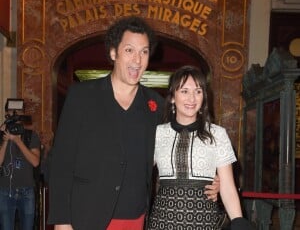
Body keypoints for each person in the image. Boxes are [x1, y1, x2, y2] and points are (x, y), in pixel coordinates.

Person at [47, 16, 220, 230]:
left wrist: (210, 177)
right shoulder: (82, 96)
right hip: (86, 215)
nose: (137, 60)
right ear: (113, 53)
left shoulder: (155, 105)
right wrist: (62, 221)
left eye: (144, 52)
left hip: (134, 217)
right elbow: (61, 162)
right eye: (129, 50)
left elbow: (177, 145)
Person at [148, 65, 253, 230]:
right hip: (161, 222)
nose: (192, 98)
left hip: (204, 222)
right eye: (184, 91)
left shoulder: (217, 134)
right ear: (173, 97)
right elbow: (139, 174)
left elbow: (227, 186)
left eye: (198, 91)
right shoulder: (157, 133)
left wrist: (238, 221)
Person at [0, 102, 41, 230]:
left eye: (18, 112)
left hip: (27, 190)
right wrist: (5, 141)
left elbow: (35, 162)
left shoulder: (30, 135)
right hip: (5, 190)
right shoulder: (1, 135)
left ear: (22, 114)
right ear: (7, 114)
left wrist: (18, 141)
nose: (15, 115)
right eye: (12, 112)